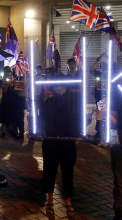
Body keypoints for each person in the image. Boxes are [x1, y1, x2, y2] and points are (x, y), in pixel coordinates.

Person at [98, 59, 122, 220]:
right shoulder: (119, 93)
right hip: (121, 145)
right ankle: (119, 212)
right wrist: (105, 111)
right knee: (119, 184)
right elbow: (114, 120)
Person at [40, 69, 78, 217]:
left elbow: (79, 120)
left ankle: (68, 200)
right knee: (49, 170)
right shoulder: (47, 101)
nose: (60, 88)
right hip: (51, 140)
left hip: (67, 141)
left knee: (68, 172)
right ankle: (50, 199)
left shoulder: (73, 101)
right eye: (57, 86)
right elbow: (42, 119)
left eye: (62, 86)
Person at [90, 54, 108, 146]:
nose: (104, 69)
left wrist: (108, 58)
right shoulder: (98, 74)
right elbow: (91, 69)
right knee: (100, 121)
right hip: (99, 101)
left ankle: (106, 139)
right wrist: (98, 59)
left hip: (109, 101)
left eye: (105, 67)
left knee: (107, 121)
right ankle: (101, 139)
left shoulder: (111, 75)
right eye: (102, 67)